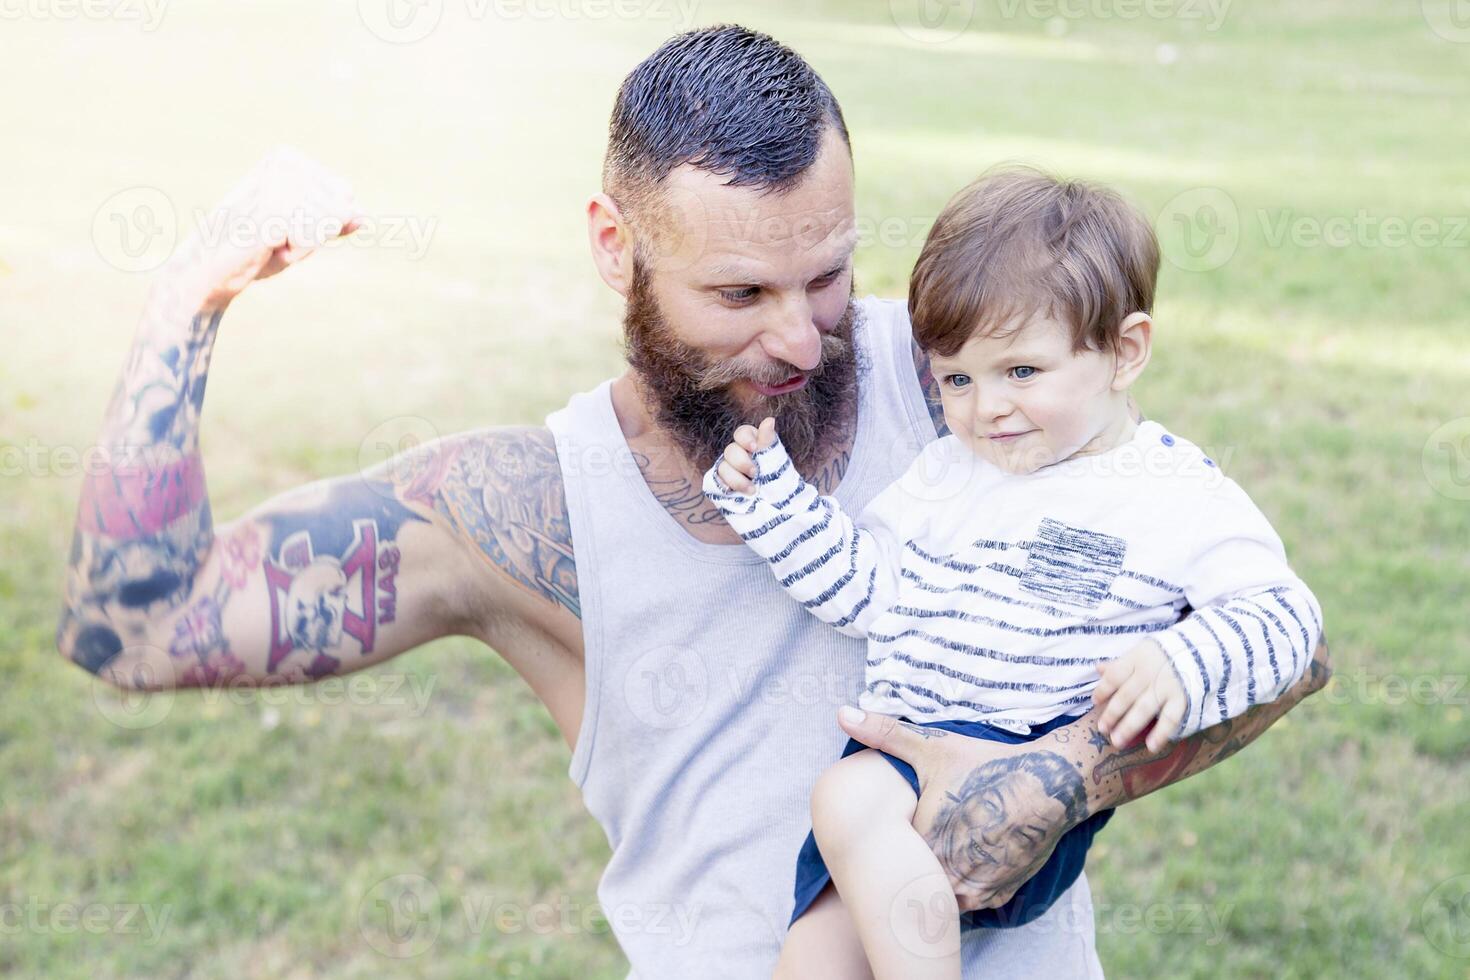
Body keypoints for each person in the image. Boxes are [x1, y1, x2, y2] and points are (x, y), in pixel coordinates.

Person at [54, 25, 1331, 978]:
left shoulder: (970, 378)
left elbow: (1284, 642)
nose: (799, 337)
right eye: (738, 296)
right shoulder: (516, 508)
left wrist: (1062, 775)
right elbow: (143, 625)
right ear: (616, 244)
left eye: (826, 274)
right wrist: (190, 300)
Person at [704, 168, 1324, 978]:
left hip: (1022, 765)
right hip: (901, 779)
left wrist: (1182, 658)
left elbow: (1286, 618)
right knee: (811, 958)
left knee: (844, 798)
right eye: (956, 378)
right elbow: (868, 592)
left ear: (1124, 352)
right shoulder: (945, 474)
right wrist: (773, 504)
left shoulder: (1173, 494)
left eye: (1021, 372)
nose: (985, 408)